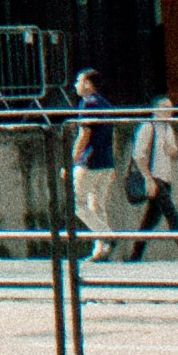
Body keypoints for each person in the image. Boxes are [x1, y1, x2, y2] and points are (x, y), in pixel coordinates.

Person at [121, 96, 178, 262]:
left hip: (165, 178)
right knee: (172, 215)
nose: (169, 111)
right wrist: (148, 178)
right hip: (155, 177)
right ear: (155, 109)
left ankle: (134, 256)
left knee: (151, 220)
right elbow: (138, 155)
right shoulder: (148, 127)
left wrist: (172, 150)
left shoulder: (168, 128)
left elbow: (174, 153)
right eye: (164, 107)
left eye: (170, 107)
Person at [68, 70, 123, 261]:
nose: (76, 84)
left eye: (79, 81)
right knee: (97, 206)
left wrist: (71, 160)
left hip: (90, 162)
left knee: (77, 204)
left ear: (88, 84)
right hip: (107, 163)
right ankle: (101, 251)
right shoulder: (106, 104)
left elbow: (84, 134)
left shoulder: (88, 104)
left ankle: (106, 235)